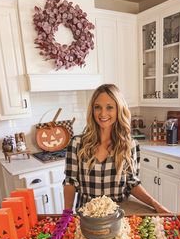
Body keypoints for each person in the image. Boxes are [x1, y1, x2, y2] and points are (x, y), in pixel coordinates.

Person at [63, 84, 170, 213]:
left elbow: (132, 184)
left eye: (109, 107)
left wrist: (155, 203)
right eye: (98, 107)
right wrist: (67, 213)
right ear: (92, 110)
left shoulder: (129, 145)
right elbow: (70, 182)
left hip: (119, 214)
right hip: (86, 215)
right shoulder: (77, 144)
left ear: (119, 109)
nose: (103, 113)